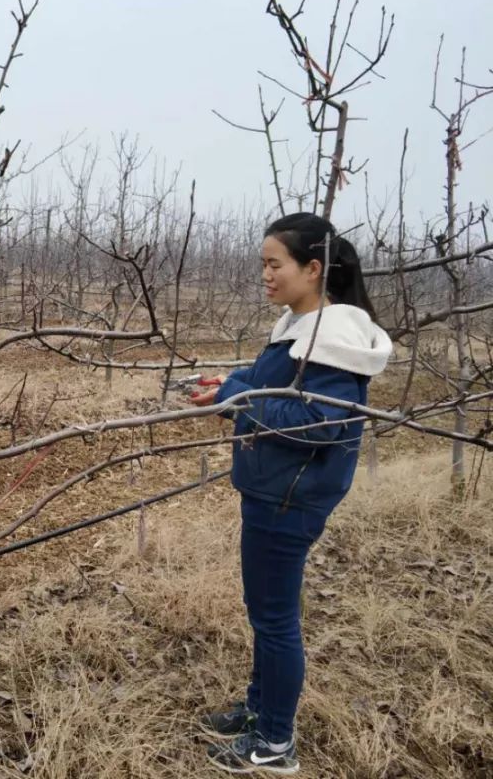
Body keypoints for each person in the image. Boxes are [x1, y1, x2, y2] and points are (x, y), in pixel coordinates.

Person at [192, 213, 391, 774]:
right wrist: (232, 384)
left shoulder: (334, 337)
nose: (265, 274)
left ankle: (275, 743)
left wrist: (239, 394)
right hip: (274, 489)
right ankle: (259, 708)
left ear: (313, 268)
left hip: (289, 498)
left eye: (274, 264)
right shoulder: (301, 324)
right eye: (263, 264)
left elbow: (316, 424)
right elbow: (277, 388)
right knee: (266, 613)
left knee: (275, 619)